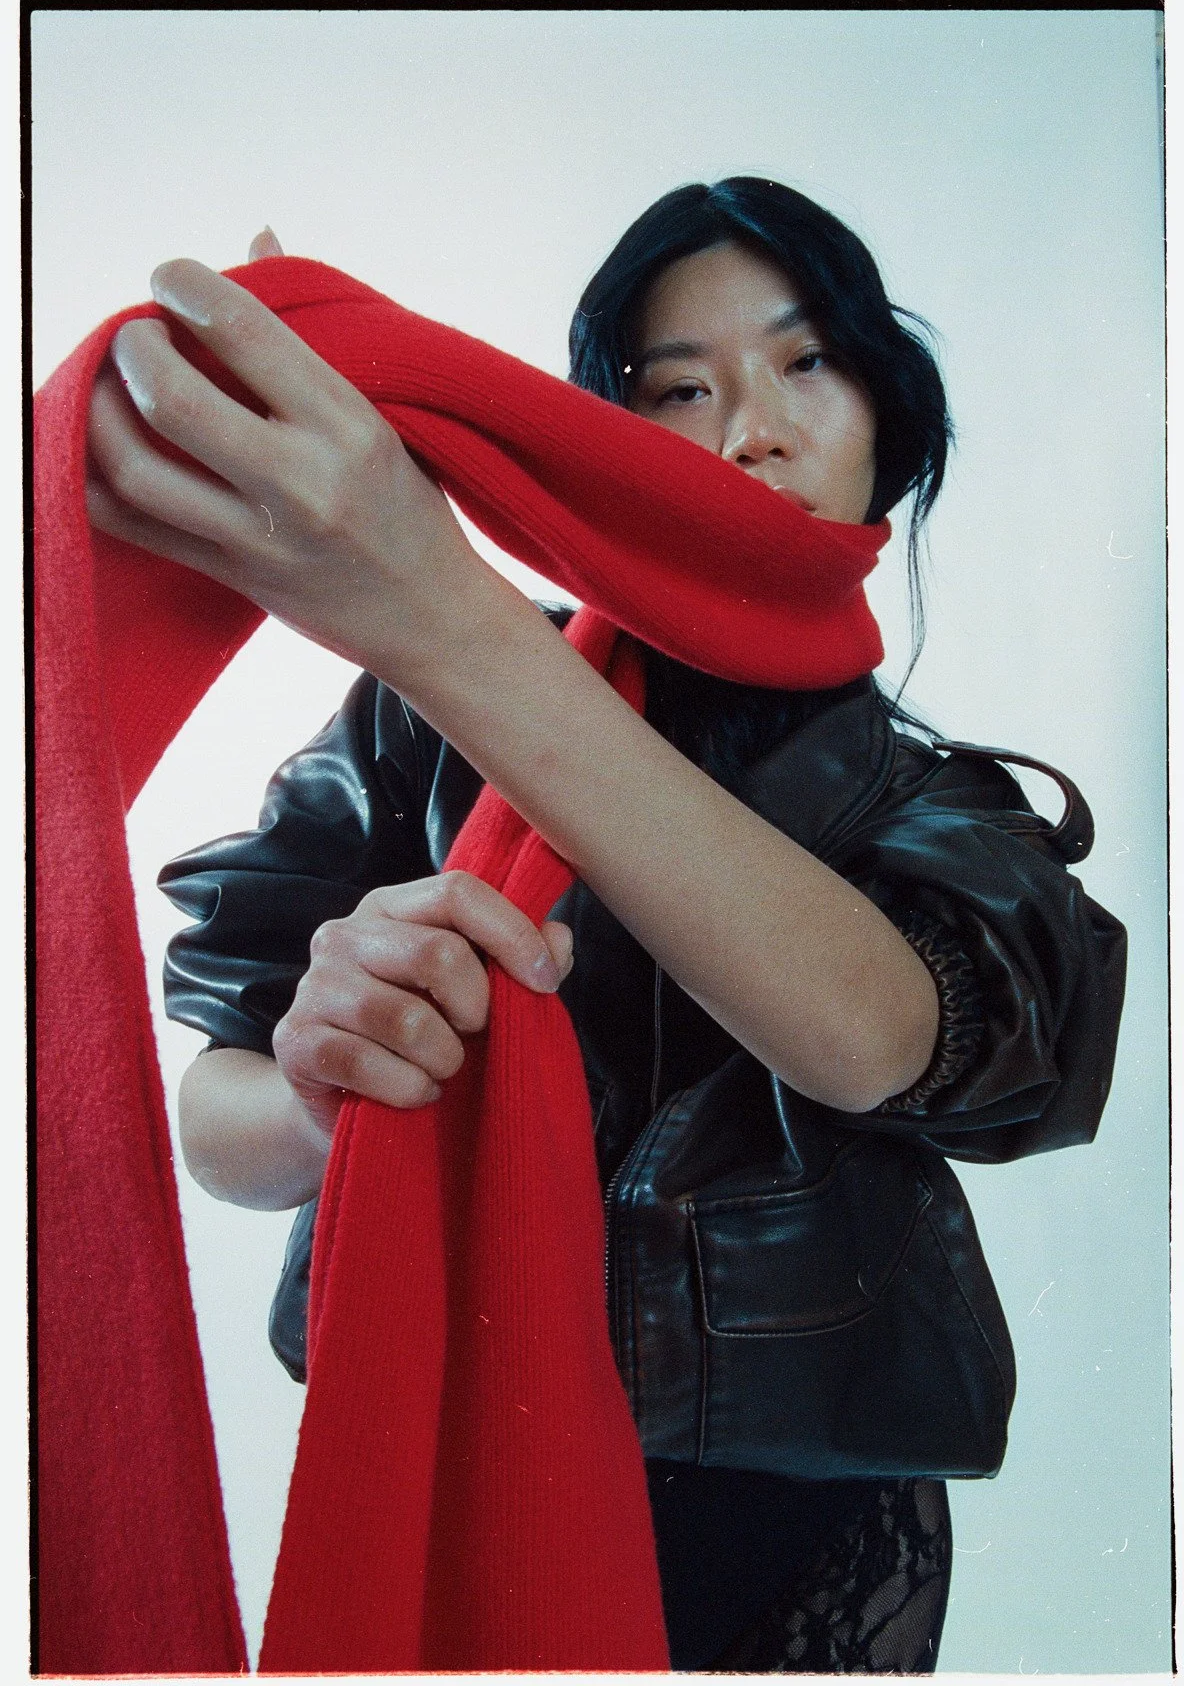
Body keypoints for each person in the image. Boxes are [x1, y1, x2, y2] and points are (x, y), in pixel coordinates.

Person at [86, 177, 1125, 1672]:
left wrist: (433, 610)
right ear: (600, 441)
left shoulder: (933, 801)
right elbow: (218, 1120)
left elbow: (876, 1040)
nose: (750, 431)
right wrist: (325, 1092)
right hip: (434, 1455)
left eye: (808, 362)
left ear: (889, 428)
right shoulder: (413, 724)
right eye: (677, 387)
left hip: (799, 1527)